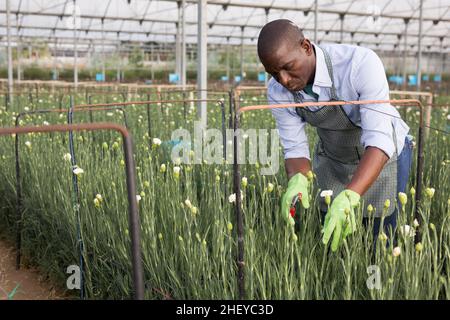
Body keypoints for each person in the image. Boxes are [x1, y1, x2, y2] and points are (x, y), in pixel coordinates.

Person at [257, 19, 413, 251]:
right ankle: (342, 281)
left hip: (382, 157)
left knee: (379, 236)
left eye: (288, 67)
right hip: (335, 157)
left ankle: (377, 282)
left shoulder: (359, 64)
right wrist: (297, 179)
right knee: (333, 235)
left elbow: (379, 141)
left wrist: (351, 196)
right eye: (273, 73)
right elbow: (295, 149)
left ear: (306, 47)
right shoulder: (277, 90)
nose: (284, 80)